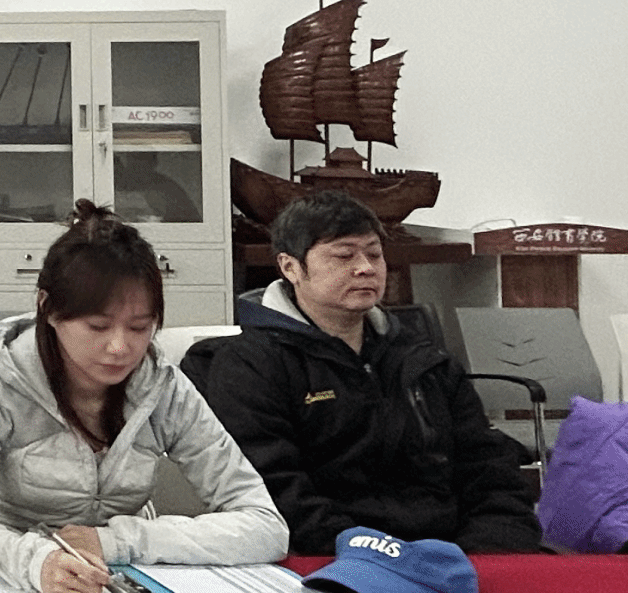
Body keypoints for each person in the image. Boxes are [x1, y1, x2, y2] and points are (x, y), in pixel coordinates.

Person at [0, 202, 286, 593]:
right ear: (48, 308)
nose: (120, 347)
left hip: (119, 579)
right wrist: (36, 562)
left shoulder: (164, 389)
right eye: (98, 326)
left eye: (139, 327)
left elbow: (265, 526)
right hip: (8, 574)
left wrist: (114, 540)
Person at [186, 190, 540, 555]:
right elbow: (274, 490)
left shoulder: (422, 359)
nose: (366, 268)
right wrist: (376, 555)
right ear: (290, 267)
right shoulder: (250, 365)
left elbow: (489, 468)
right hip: (333, 557)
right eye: (344, 256)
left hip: (453, 553)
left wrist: (489, 550)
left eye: (374, 254)